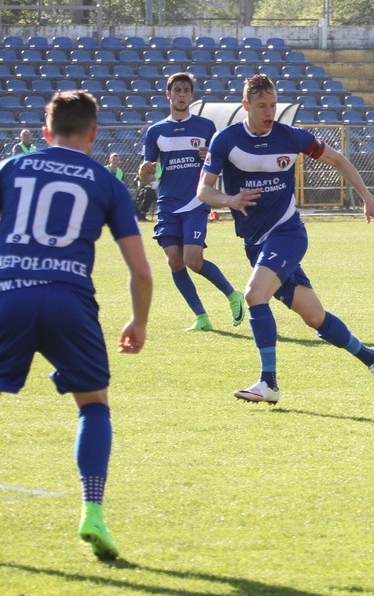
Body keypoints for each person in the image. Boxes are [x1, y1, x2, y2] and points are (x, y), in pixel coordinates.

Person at [0, 90, 153, 559]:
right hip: (70, 302)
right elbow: (141, 270)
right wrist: (138, 323)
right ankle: (93, 512)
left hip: (9, 296)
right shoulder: (106, 181)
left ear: (44, 133)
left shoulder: (11, 169)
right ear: (92, 133)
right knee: (93, 406)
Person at [198, 74, 374, 404]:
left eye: (273, 104)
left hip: (288, 234)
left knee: (254, 294)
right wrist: (230, 200)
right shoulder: (226, 140)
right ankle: (372, 359)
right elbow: (204, 190)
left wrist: (368, 199)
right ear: (246, 105)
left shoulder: (292, 137)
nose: (269, 111)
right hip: (256, 244)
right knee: (315, 317)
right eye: (262, 105)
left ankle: (268, 382)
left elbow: (339, 160)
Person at [140, 71, 244, 332]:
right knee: (175, 261)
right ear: (168, 95)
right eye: (177, 90)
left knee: (193, 260)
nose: (182, 94)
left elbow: (221, 161)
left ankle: (233, 295)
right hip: (167, 203)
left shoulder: (205, 127)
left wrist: (210, 155)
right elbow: (145, 174)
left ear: (191, 96)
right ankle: (201, 317)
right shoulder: (155, 132)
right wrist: (144, 171)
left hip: (196, 200)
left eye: (186, 90)